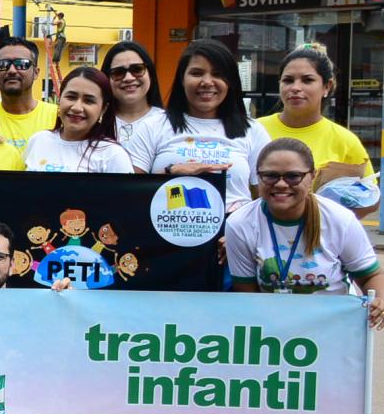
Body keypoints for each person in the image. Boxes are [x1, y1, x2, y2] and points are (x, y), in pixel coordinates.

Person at [228, 139, 384, 320]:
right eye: (270, 175)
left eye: (293, 176)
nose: (281, 184)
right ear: (257, 176)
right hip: (271, 328)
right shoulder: (239, 224)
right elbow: (247, 294)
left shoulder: (340, 219)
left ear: (312, 177)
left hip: (333, 326)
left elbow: (370, 275)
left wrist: (379, 301)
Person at [126, 38, 271, 212]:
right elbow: (128, 192)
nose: (207, 82)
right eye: (196, 73)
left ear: (231, 81)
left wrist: (240, 231)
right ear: (182, 79)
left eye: (218, 74)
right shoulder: (152, 126)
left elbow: (267, 196)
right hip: (166, 230)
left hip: (232, 234)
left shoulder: (253, 131)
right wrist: (170, 173)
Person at [258, 48, 376, 194]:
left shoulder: (345, 141)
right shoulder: (254, 130)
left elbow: (370, 198)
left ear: (327, 86)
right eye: (288, 80)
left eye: (307, 80)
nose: (295, 87)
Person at [23, 66, 133, 173]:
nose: (76, 107)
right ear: (59, 99)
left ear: (103, 109)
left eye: (89, 101)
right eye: (71, 97)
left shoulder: (113, 155)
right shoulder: (38, 140)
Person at [0, 38, 58, 153]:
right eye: (3, 64)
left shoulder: (58, 117)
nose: (12, 70)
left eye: (21, 64)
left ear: (36, 73)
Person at [100, 40, 167, 144]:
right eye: (118, 72)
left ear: (150, 73)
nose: (128, 78)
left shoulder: (168, 123)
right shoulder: (95, 123)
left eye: (137, 69)